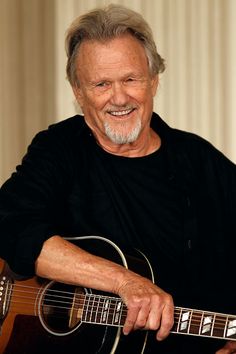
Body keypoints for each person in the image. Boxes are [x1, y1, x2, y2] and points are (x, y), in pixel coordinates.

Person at [0, 4, 235, 354]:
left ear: (154, 80)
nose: (119, 97)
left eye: (130, 79)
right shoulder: (59, 149)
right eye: (101, 84)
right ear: (78, 93)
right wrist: (124, 281)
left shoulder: (202, 164)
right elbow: (11, 227)